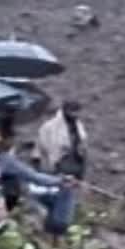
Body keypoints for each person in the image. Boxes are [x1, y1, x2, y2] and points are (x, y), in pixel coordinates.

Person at [36, 100, 89, 239]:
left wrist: (81, 174)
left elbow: (82, 150)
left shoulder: (78, 128)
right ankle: (51, 234)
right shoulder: (50, 128)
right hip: (55, 171)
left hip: (73, 169)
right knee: (55, 205)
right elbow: (45, 150)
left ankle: (58, 235)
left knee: (66, 205)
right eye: (72, 111)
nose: (75, 115)